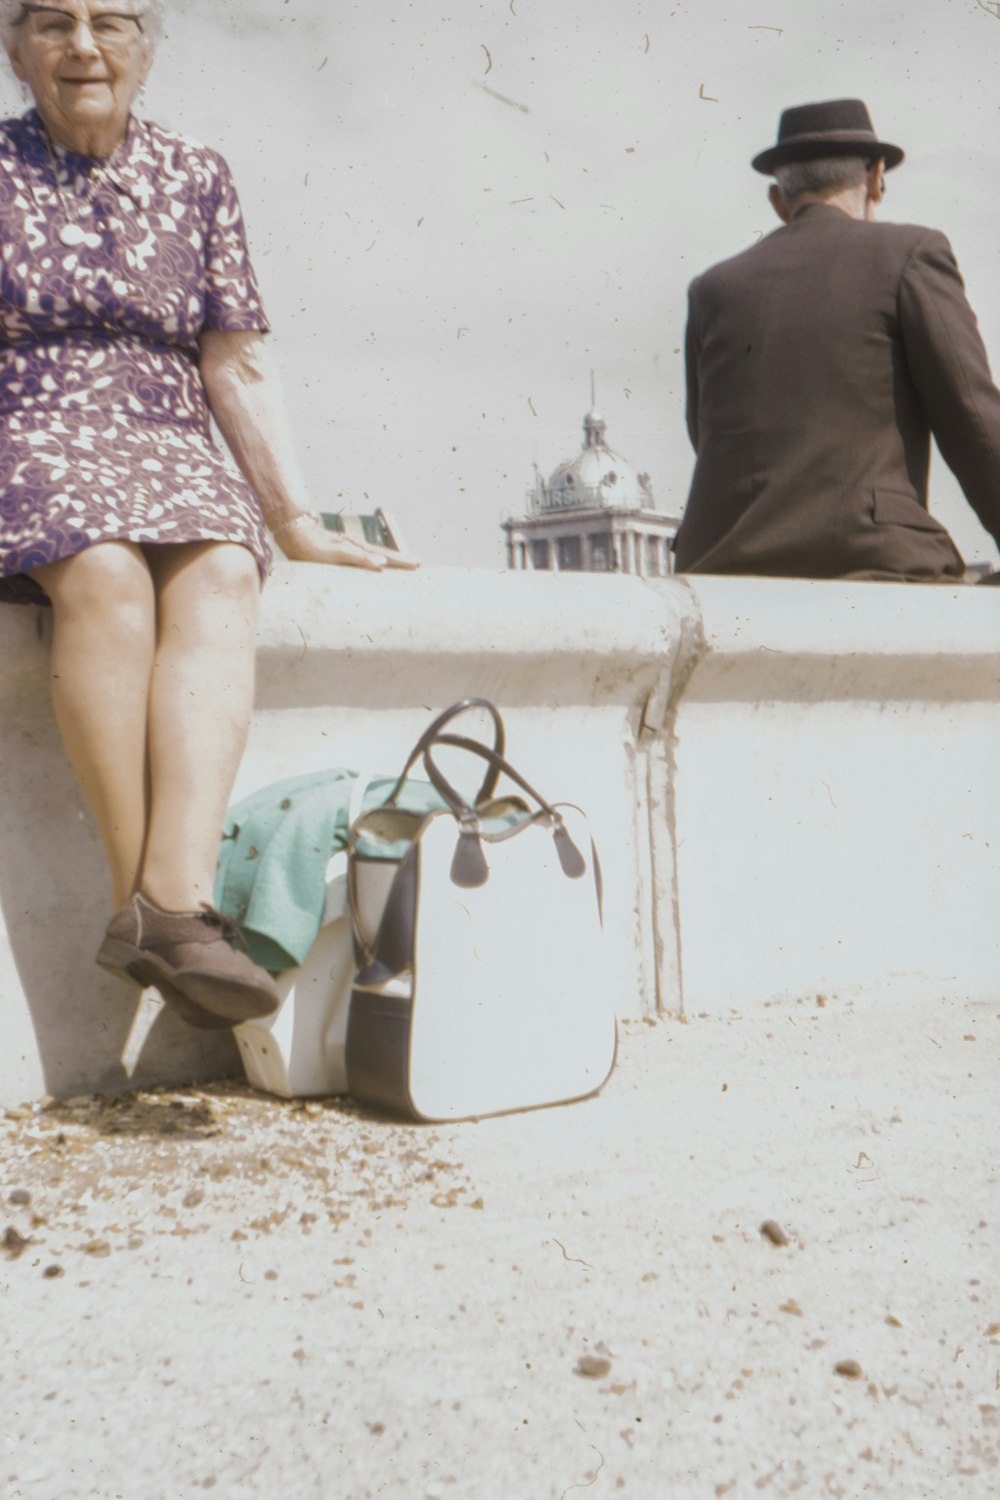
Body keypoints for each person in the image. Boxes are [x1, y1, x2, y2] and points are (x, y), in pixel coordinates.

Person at [0, 0, 416, 1030]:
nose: (84, 46)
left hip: (167, 431)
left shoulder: (197, 173)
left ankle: (172, 899)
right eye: (51, 22)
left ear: (150, 45)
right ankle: (136, 904)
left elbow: (234, 357)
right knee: (100, 573)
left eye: (111, 21)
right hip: (28, 418)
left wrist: (297, 523)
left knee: (225, 572)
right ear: (13, 47)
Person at [672, 98, 1000, 581]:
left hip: (721, 572)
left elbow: (705, 437)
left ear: (778, 200)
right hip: (869, 560)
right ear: (875, 178)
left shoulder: (712, 287)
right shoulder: (911, 253)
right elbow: (973, 421)